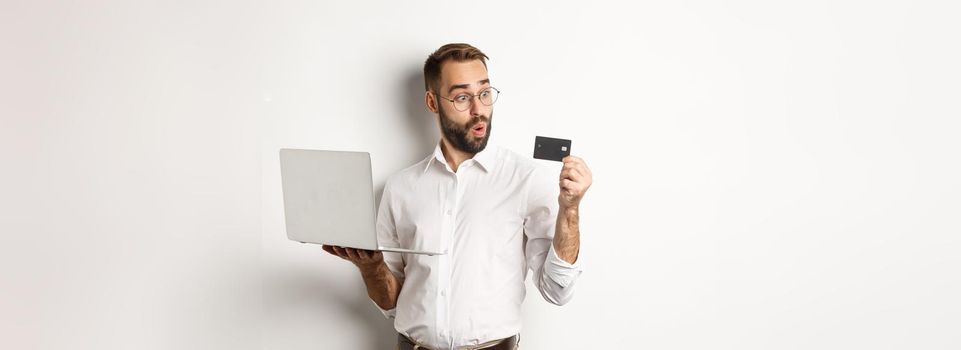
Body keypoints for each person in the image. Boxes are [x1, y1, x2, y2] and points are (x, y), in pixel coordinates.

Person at [322, 43, 593, 350]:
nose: (479, 109)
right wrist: (371, 268)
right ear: (432, 102)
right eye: (462, 97)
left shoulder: (525, 179)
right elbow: (392, 303)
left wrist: (570, 210)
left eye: (485, 93)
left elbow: (558, 290)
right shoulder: (400, 188)